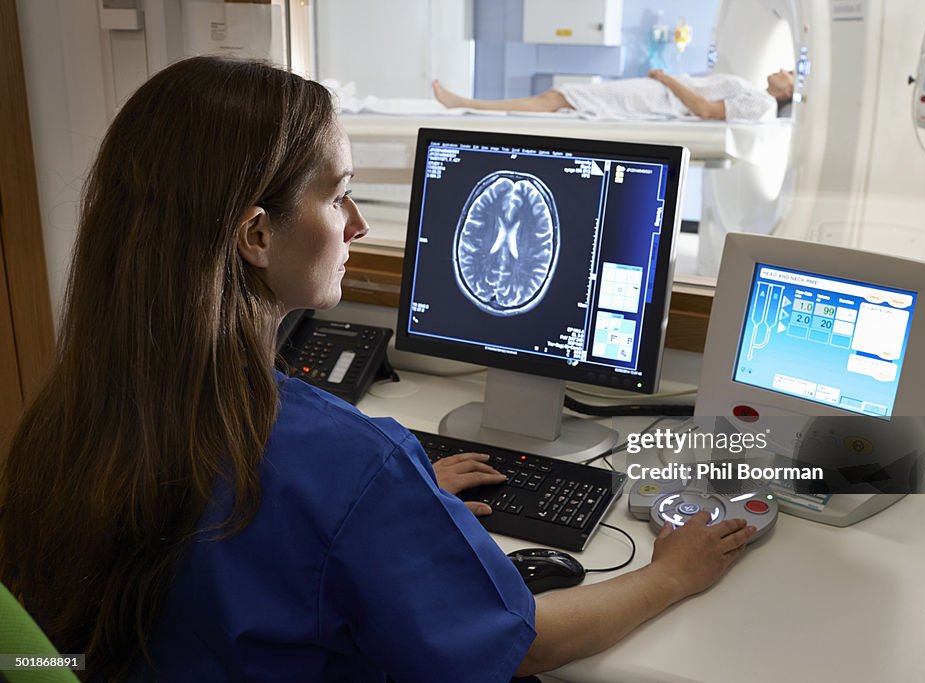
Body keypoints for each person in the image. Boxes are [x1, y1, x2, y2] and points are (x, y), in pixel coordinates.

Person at [0, 56, 756, 682]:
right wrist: (671, 573)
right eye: (339, 195)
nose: (359, 224)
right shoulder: (346, 465)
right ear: (257, 235)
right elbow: (527, 644)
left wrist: (398, 508)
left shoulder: (61, 423)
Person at [433, 68, 796, 122]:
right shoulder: (756, 90)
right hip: (656, 93)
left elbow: (705, 109)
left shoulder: (762, 104)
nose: (784, 69)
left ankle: (464, 102)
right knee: (562, 98)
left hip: (658, 99)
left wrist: (666, 78)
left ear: (789, 92)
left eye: (791, 74)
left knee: (562, 97)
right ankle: (467, 103)